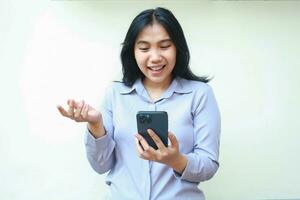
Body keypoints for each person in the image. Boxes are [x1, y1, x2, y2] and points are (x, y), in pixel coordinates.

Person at [57, 7, 221, 200]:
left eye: (164, 46)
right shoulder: (115, 94)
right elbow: (101, 165)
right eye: (144, 48)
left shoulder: (200, 94)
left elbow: (209, 164)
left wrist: (177, 160)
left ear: (178, 47)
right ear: (132, 51)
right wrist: (95, 125)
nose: (155, 57)